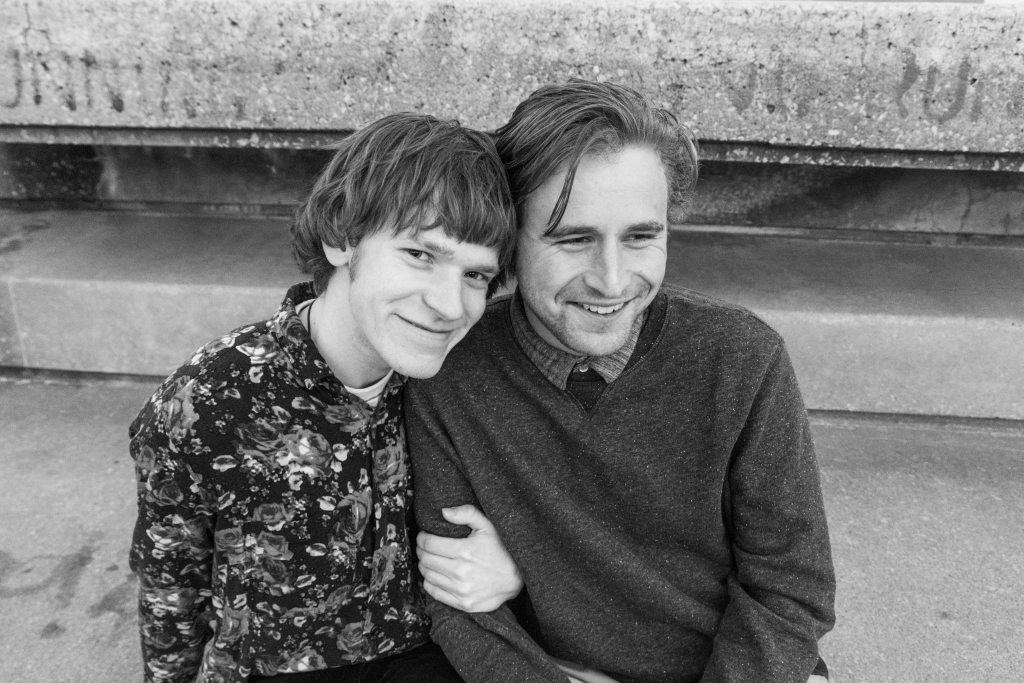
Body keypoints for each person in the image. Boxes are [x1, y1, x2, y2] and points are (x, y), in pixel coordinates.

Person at [408, 81, 837, 682]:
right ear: (509, 242)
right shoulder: (451, 372)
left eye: (640, 236)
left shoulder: (742, 358)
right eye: (573, 239)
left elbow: (790, 588)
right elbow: (459, 607)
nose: (611, 281)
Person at [128, 113, 523, 683]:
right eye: (420, 254)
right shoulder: (207, 401)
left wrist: (516, 572)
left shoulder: (465, 381)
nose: (450, 305)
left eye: (476, 276)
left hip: (433, 655)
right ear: (341, 238)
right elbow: (171, 592)